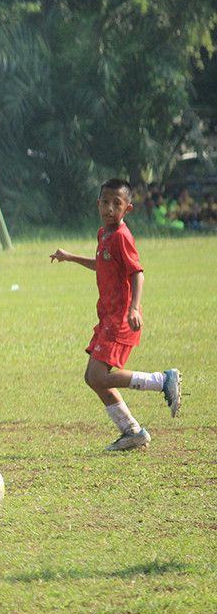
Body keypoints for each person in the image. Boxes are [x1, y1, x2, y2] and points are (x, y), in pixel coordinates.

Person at [50, 178, 182, 452]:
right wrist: (71, 257)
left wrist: (134, 308)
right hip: (107, 317)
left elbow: (137, 273)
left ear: (128, 209)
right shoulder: (104, 234)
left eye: (116, 203)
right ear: (98, 204)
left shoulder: (122, 237)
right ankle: (131, 431)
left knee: (98, 376)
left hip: (121, 319)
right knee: (93, 378)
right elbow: (102, 264)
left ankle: (162, 381)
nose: (110, 208)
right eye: (105, 202)